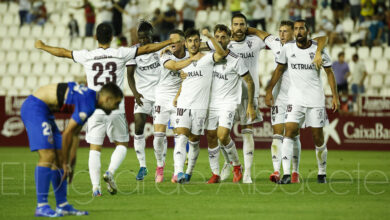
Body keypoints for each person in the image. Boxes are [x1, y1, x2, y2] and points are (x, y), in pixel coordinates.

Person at [34, 22, 182, 196]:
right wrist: (167, 42)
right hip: (115, 108)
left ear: (96, 37)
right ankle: (110, 171)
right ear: (112, 38)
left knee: (94, 148)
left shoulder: (87, 55)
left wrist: (43, 46)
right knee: (121, 144)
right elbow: (147, 49)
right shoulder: (120, 53)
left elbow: (63, 52)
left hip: (94, 108)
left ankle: (95, 188)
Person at [20, 82, 123, 217]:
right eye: (116, 103)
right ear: (108, 99)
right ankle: (42, 206)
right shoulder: (88, 103)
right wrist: (65, 162)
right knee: (49, 155)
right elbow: (67, 133)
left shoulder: (91, 101)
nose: (115, 108)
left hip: (46, 111)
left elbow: (74, 134)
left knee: (58, 157)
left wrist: (70, 162)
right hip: (35, 107)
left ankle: (62, 205)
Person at [248, 20, 327, 183]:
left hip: (297, 97)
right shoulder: (277, 43)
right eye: (280, 31)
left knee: (292, 133)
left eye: (285, 31)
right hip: (280, 97)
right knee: (277, 133)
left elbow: (322, 39)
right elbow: (261, 34)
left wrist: (318, 51)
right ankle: (277, 171)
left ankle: (294, 172)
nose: (281, 34)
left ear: (294, 33)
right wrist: (243, 29)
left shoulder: (303, 45)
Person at [265, 19, 340, 184]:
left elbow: (329, 73)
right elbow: (279, 69)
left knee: (317, 137)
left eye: (302, 29)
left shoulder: (317, 50)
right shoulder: (288, 48)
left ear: (308, 31)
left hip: (315, 100)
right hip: (295, 99)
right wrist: (270, 89)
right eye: (296, 29)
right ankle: (286, 174)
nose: (298, 31)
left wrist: (335, 95)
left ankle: (321, 173)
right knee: (289, 132)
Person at [204, 13, 265, 183]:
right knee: (221, 134)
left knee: (246, 132)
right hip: (225, 95)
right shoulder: (219, 44)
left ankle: (246, 174)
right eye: (235, 24)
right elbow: (196, 47)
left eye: (242, 24)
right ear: (231, 27)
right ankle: (230, 163)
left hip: (247, 95)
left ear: (247, 26)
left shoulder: (255, 42)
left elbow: (272, 40)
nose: (239, 27)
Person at [172, 28, 227, 183]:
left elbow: (222, 54)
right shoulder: (183, 63)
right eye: (190, 41)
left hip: (200, 107)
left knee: (194, 139)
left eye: (196, 40)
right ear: (185, 43)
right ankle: (179, 172)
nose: (193, 44)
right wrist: (177, 96)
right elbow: (185, 81)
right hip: (184, 104)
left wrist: (210, 36)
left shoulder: (208, 58)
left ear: (199, 42)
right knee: (181, 136)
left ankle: (188, 172)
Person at [154, 29, 201, 183]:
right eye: (170, 41)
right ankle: (160, 166)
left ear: (183, 42)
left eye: (174, 41)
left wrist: (195, 53)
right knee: (158, 136)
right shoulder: (166, 54)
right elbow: (174, 66)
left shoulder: (190, 51)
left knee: (179, 136)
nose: (171, 44)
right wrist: (193, 60)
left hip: (179, 98)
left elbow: (205, 46)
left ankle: (177, 172)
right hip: (162, 96)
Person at [126, 21, 164, 181]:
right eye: (140, 38)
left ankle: (160, 166)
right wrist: (135, 93)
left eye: (145, 37)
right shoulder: (133, 51)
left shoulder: (159, 48)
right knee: (138, 127)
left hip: (160, 96)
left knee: (159, 134)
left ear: (151, 35)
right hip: (143, 96)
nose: (143, 41)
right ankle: (142, 166)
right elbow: (129, 75)